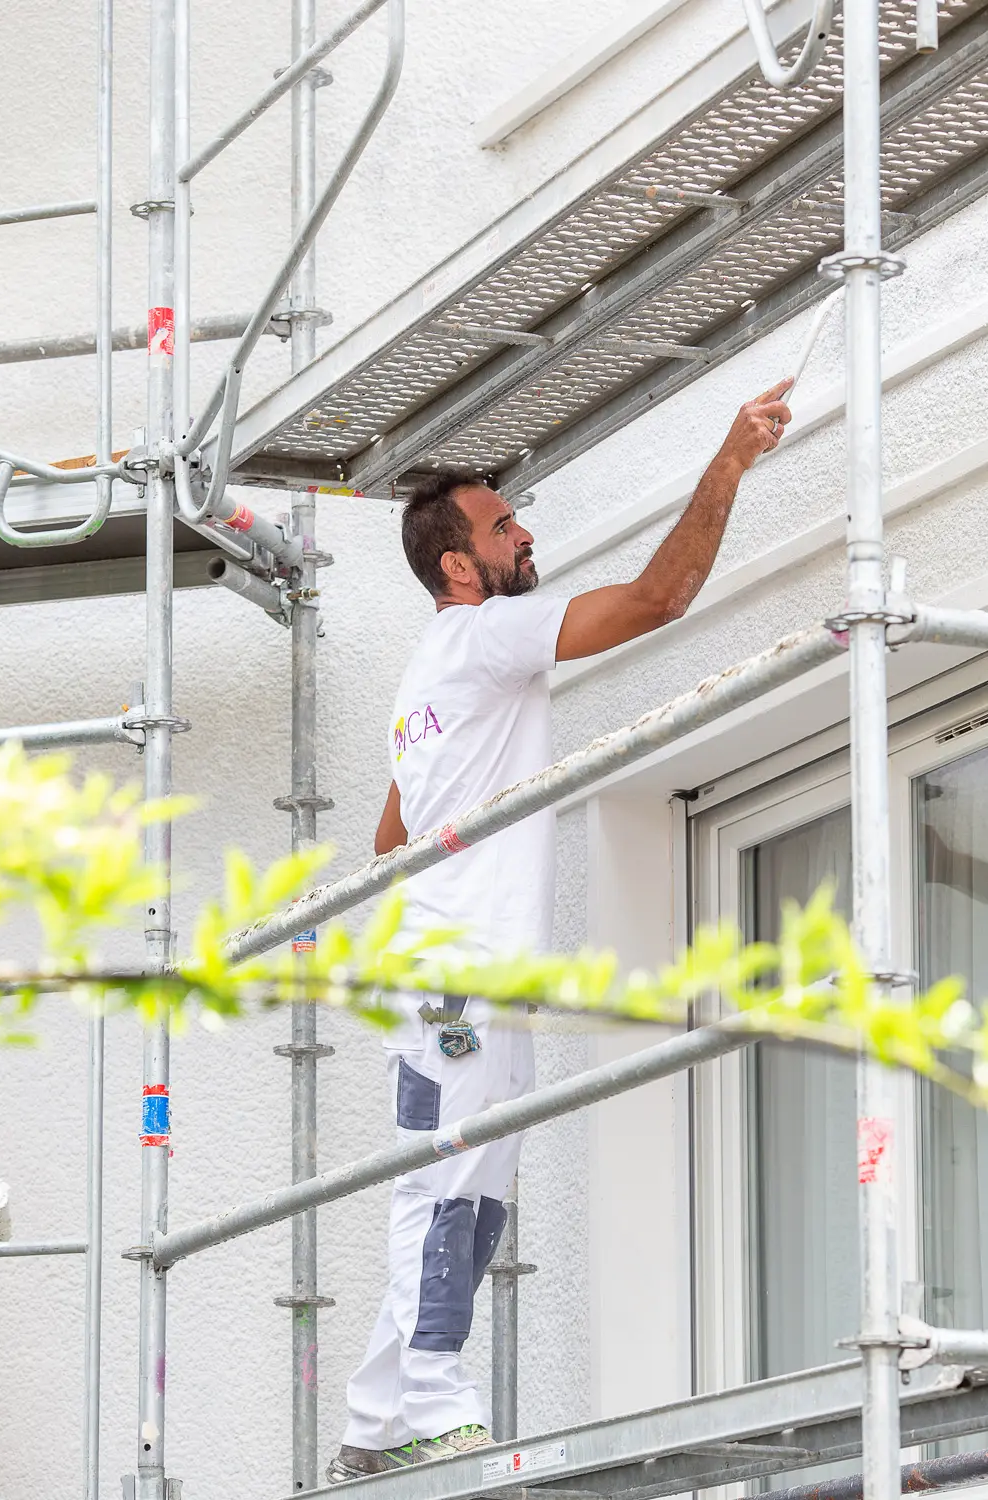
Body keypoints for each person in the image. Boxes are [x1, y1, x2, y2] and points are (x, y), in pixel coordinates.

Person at [326, 379, 793, 1483]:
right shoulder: (481, 636)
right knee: (450, 1182)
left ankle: (377, 1411)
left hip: (458, 963)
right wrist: (726, 460)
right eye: (502, 526)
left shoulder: (425, 677)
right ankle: (434, 1402)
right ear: (457, 565)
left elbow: (392, 826)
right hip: (459, 968)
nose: (523, 533)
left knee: (471, 1190)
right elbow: (654, 601)